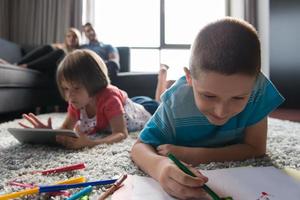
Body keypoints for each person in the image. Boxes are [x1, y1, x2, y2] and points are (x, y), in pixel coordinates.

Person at [131, 17, 285, 199]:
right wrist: (159, 166)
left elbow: (256, 148)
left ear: (255, 83)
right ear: (189, 78)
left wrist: (192, 154)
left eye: (238, 97)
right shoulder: (176, 102)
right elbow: (139, 147)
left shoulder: (258, 93)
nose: (221, 111)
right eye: (209, 96)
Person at [19, 49, 152, 149]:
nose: (69, 96)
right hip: (119, 109)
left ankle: (161, 81)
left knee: (159, 103)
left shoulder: (109, 98)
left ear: (94, 83)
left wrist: (92, 143)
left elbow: (121, 133)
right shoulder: (76, 101)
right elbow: (66, 129)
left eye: (76, 88)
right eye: (66, 88)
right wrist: (51, 134)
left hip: (144, 107)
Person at [16, 27, 81, 78]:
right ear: (65, 38)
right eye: (69, 36)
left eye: (74, 36)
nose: (71, 38)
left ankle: (27, 66)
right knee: (48, 47)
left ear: (78, 39)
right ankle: (17, 64)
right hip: (47, 67)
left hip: (60, 70)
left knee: (60, 52)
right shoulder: (60, 46)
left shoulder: (79, 52)